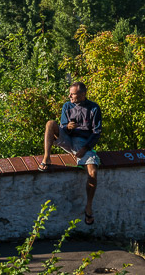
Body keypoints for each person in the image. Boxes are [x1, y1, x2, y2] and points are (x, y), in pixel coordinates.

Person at [39, 81, 102, 225]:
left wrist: (85, 149)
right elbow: (62, 126)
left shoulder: (94, 108)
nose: (70, 96)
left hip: (83, 143)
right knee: (50, 124)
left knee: (92, 172)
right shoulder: (67, 106)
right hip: (68, 138)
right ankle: (46, 158)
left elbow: (97, 132)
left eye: (72, 94)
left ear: (82, 94)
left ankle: (89, 207)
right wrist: (67, 127)